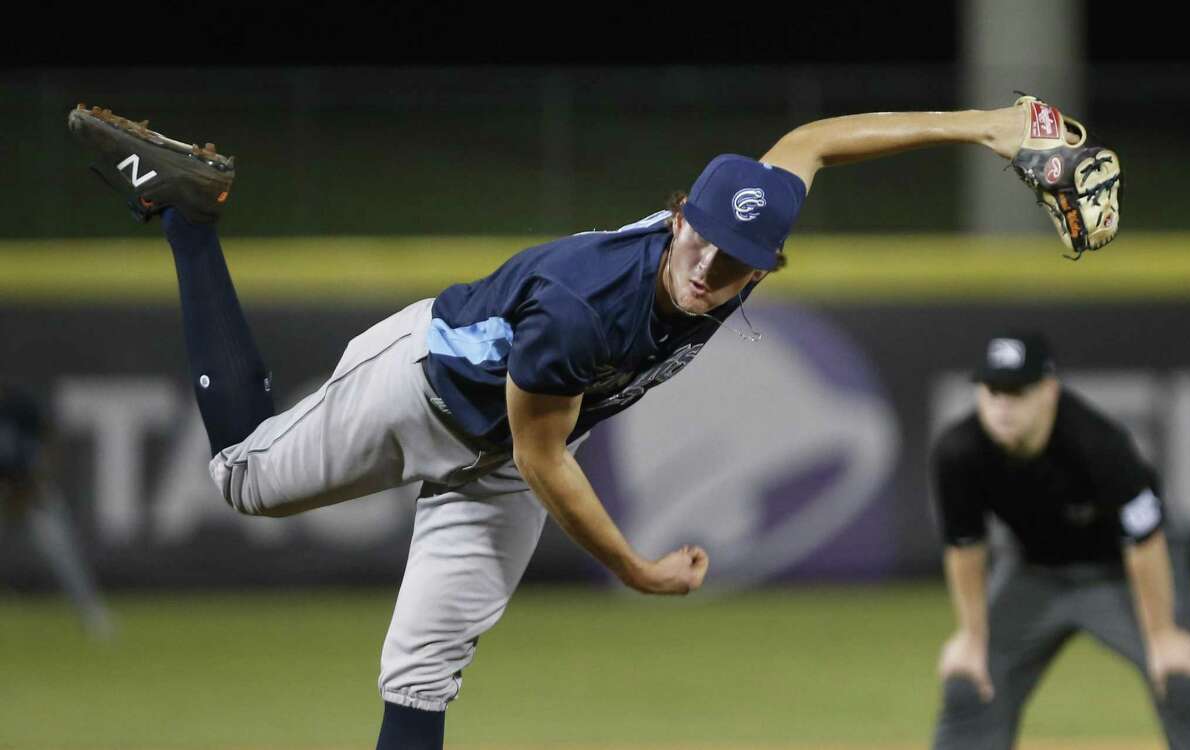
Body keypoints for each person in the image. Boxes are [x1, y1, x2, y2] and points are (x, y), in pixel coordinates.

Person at [70, 97, 1039, 749]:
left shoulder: (738, 235)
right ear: (676, 216)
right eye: (701, 240)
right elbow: (544, 460)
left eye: (739, 259)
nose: (709, 269)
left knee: (423, 671)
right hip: (431, 391)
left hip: (512, 452)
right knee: (243, 480)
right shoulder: (588, 309)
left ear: (767, 262)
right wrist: (635, 568)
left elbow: (817, 142)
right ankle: (189, 216)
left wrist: (987, 125)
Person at [930, 331, 1190, 749]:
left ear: (1049, 391)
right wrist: (971, 634)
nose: (1002, 406)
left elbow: (1145, 542)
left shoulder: (1099, 444)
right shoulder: (959, 452)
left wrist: (1163, 635)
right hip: (1034, 573)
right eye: (992, 391)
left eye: (1017, 392)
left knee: (1182, 676)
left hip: (1122, 573)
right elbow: (965, 547)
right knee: (972, 676)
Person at [0, 382, 115, 639]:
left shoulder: (18, 406)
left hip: (31, 492)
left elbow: (47, 443)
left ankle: (92, 614)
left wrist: (31, 485)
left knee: (62, 553)